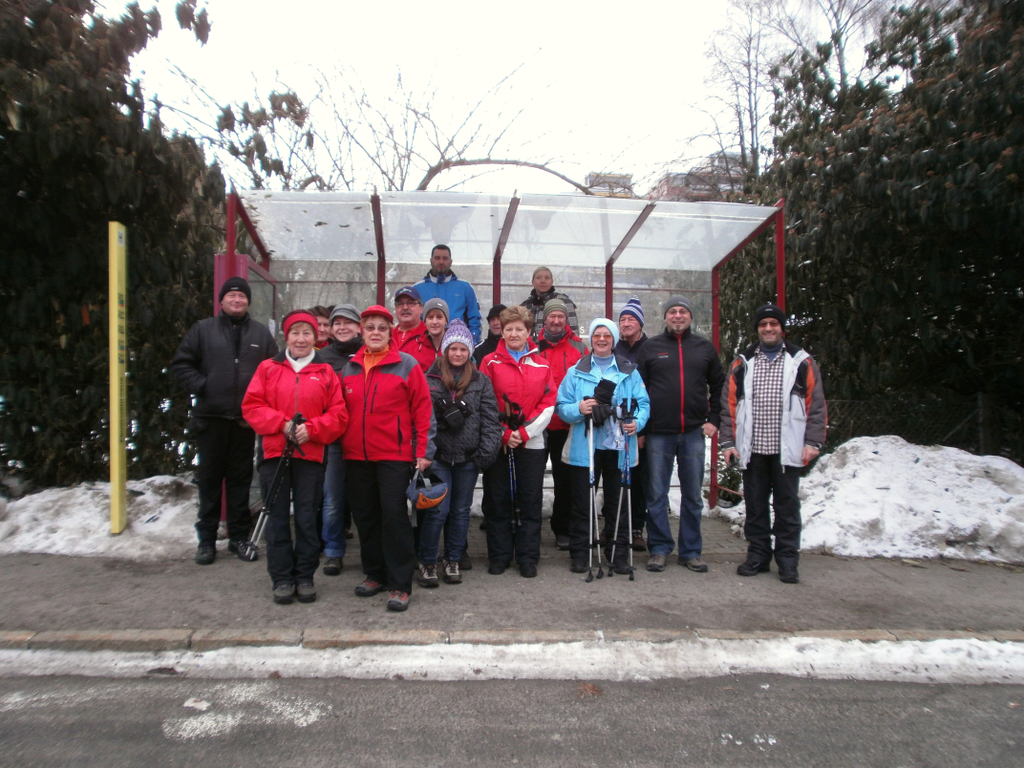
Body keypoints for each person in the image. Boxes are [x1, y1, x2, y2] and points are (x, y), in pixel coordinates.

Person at [241, 310, 348, 604]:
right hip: (274, 454)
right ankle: (282, 578)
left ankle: (304, 576)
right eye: (295, 333)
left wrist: (311, 429)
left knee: (306, 518)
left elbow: (338, 415)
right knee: (276, 519)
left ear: (316, 337)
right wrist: (282, 425)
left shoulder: (326, 372)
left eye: (307, 333)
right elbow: (252, 406)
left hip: (310, 455)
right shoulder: (267, 368)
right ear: (286, 336)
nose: (301, 339)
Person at [171, 276, 278, 566]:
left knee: (240, 481)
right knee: (209, 481)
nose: (237, 300)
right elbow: (181, 363)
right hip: (211, 419)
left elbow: (274, 370)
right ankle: (206, 540)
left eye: (242, 296)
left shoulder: (259, 333)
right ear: (221, 300)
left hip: (244, 422)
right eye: (231, 295)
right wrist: (204, 385)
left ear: (248, 301)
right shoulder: (202, 330)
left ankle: (238, 537)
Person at [719, 303, 827, 585]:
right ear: (757, 329)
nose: (768, 328)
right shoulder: (742, 363)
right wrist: (728, 442)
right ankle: (758, 555)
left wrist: (813, 441)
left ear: (781, 328)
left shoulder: (801, 362)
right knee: (755, 506)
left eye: (773, 324)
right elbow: (729, 406)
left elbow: (816, 404)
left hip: (787, 450)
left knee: (787, 506)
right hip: (752, 448)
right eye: (763, 324)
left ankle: (788, 560)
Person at [341, 305, 434, 612]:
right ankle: (375, 574)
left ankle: (399, 584)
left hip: (394, 455)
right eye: (370, 327)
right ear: (362, 331)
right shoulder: (350, 368)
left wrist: (424, 451)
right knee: (366, 517)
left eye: (382, 328)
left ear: (390, 332)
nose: (376, 332)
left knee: (394, 518)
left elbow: (423, 410)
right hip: (356, 456)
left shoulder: (406, 364)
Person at [636, 295, 725, 573]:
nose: (677, 315)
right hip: (658, 433)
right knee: (656, 495)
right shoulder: (651, 347)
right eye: (672, 311)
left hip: (693, 433)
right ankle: (659, 549)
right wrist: (641, 429)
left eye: (682, 311)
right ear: (664, 317)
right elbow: (639, 391)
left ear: (690, 316)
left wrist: (713, 419)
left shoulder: (704, 348)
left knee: (693, 496)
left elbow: (719, 386)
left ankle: (691, 551)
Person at [556, 318, 650, 573]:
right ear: (591, 339)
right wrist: (579, 408)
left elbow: (643, 404)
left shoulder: (629, 372)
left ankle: (618, 555)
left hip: (619, 446)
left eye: (607, 335)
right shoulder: (576, 371)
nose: (601, 339)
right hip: (584, 446)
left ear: (614, 340)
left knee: (618, 502)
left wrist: (637, 422)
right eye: (597, 335)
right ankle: (580, 553)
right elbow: (561, 406)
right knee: (582, 502)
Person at [420, 320, 503, 586]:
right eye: (453, 348)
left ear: (469, 352)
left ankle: (453, 558)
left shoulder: (480, 381)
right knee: (437, 511)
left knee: (460, 512)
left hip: (468, 459)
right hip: (438, 459)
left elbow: (490, 421)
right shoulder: (430, 380)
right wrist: (425, 452)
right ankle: (427, 560)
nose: (458, 354)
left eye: (463, 349)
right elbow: (422, 419)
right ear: (445, 350)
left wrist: (483, 455)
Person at [480, 305, 556, 578]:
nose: (513, 333)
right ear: (502, 331)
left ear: (528, 332)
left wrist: (524, 433)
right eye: (509, 329)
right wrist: (502, 432)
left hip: (531, 442)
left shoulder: (542, 364)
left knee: (530, 500)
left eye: (519, 329)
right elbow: (484, 401)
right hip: (498, 441)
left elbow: (548, 403)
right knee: (498, 499)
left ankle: (527, 557)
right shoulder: (489, 362)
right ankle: (500, 556)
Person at [535, 298, 587, 551]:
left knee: (564, 480)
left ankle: (562, 528)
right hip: (537, 425)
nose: (556, 321)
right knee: (531, 480)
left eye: (561, 317)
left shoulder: (579, 347)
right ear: (544, 319)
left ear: (567, 320)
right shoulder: (532, 346)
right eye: (552, 316)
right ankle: (530, 529)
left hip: (567, 425)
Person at [316, 303, 364, 575]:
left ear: (358, 326)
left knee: (365, 501)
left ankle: (370, 551)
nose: (343, 327)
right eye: (337, 323)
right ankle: (333, 551)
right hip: (333, 440)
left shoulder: (369, 352)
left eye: (348, 322)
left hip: (363, 438)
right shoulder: (321, 358)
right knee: (333, 499)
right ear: (331, 328)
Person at [614, 296, 650, 551]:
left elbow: (651, 393)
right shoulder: (613, 348)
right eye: (623, 319)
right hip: (614, 427)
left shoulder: (651, 348)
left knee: (638, 479)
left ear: (640, 324)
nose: (626, 323)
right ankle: (616, 525)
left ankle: (636, 526)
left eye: (631, 319)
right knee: (617, 478)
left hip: (639, 425)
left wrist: (643, 428)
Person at [415, 244, 483, 344]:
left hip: (457, 345)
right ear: (431, 261)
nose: (441, 262)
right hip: (425, 344)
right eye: (437, 258)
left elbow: (475, 320)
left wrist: (471, 343)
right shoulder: (417, 289)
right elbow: (413, 320)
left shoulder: (465, 287)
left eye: (445, 258)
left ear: (451, 262)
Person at [520, 266, 580, 340]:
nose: (543, 281)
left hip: (559, 345)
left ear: (552, 281)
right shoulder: (525, 306)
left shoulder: (564, 301)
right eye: (539, 278)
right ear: (533, 282)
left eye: (547, 278)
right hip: (531, 346)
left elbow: (574, 331)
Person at [392, 285, 436, 371]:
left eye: (410, 303)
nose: (405, 307)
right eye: (400, 304)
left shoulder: (432, 335)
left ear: (421, 308)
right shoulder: (387, 337)